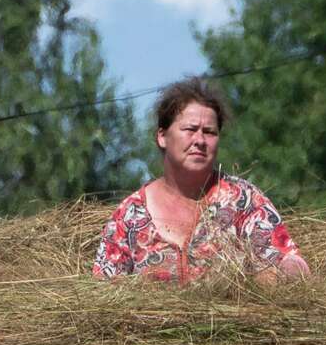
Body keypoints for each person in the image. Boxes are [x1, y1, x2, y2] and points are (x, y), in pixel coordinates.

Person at [93, 77, 310, 283]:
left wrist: (286, 271)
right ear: (162, 136)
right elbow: (104, 290)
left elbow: (288, 260)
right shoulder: (129, 216)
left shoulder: (244, 202)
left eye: (209, 132)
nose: (199, 140)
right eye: (189, 129)